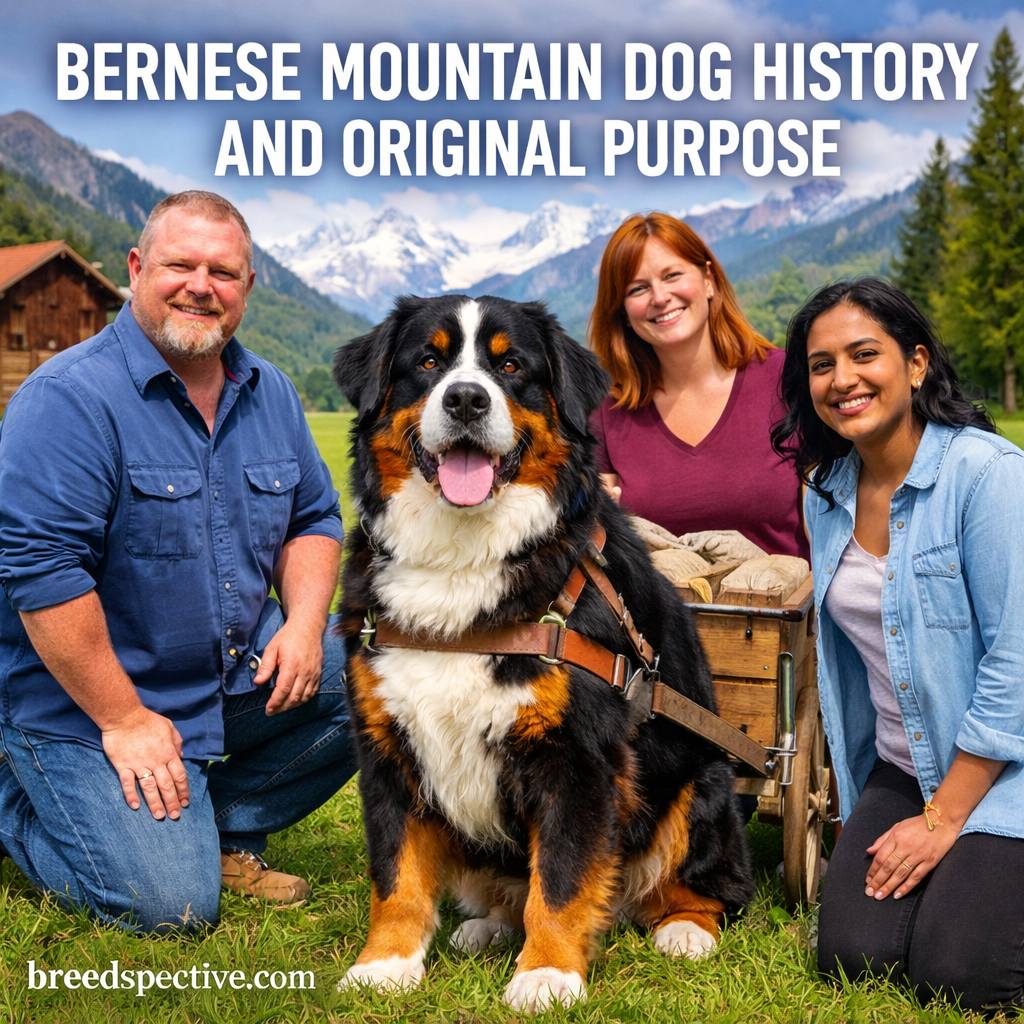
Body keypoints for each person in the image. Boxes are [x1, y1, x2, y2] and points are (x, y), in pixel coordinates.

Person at [0, 191, 356, 933]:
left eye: (223, 272)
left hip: (222, 673)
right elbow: (44, 574)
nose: (201, 286)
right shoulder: (68, 399)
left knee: (380, 675)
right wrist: (124, 719)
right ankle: (17, 793)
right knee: (171, 908)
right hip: (84, 698)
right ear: (136, 269)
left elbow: (314, 519)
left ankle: (217, 828)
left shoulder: (270, 392)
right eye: (180, 265)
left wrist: (303, 625)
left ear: (247, 287)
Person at [771, 278, 1024, 1012]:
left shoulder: (987, 475)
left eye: (864, 354)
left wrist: (943, 822)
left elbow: (1016, 664)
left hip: (1005, 763)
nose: (842, 379)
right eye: (821, 365)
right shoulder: (825, 492)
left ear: (915, 364)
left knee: (966, 975)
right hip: (905, 763)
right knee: (856, 959)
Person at [588, 212, 808, 561]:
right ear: (622, 313)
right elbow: (598, 536)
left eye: (672, 275)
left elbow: (834, 525)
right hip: (659, 597)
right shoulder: (607, 411)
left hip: (784, 595)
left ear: (708, 280)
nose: (660, 297)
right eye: (638, 288)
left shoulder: (787, 378)